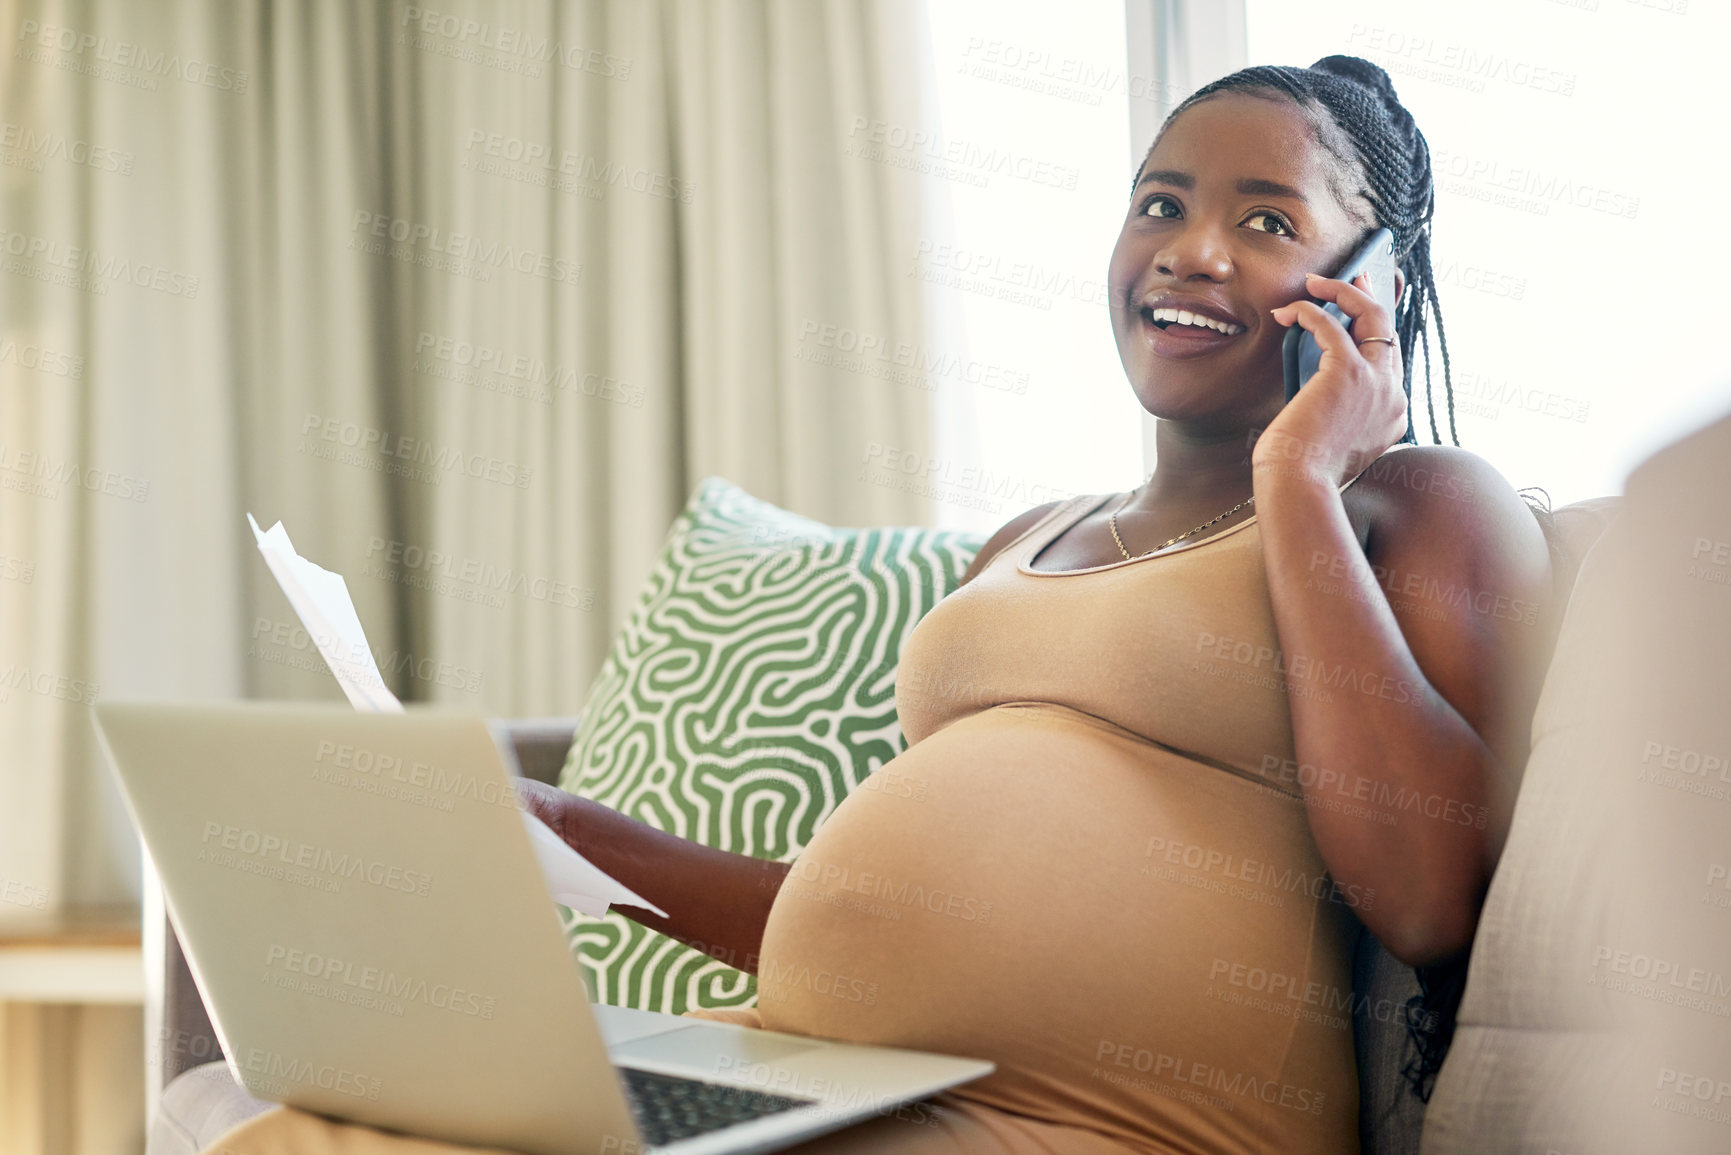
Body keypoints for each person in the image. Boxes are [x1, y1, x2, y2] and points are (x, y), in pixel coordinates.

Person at [518, 55, 1555, 1155]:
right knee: (335, 1127)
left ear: (1371, 286)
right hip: (811, 1071)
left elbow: (1428, 894)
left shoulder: (1406, 505)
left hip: (1108, 1122)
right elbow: (872, 914)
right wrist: (579, 840)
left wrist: (1297, 480)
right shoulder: (1024, 542)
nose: (1190, 251)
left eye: (1266, 222)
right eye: (1161, 204)